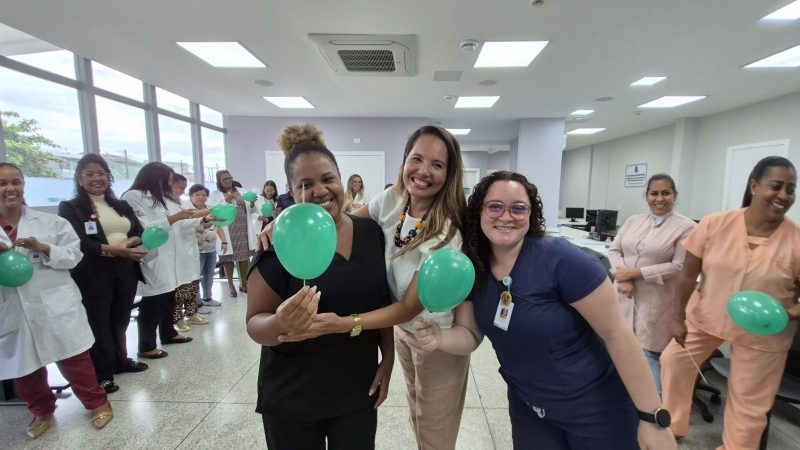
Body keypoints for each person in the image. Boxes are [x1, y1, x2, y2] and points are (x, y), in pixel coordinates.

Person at [413, 171, 677, 450]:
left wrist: (652, 417)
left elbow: (618, 335)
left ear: (531, 214)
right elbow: (469, 334)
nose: (506, 216)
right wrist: (439, 338)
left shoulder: (563, 260)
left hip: (597, 407)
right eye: (495, 206)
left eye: (518, 208)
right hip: (530, 409)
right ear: (479, 211)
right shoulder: (474, 266)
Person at [278, 125, 471, 450]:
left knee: (435, 433)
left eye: (437, 165)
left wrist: (346, 323)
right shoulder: (394, 199)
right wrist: (287, 222)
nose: (423, 171)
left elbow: (409, 306)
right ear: (404, 160)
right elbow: (343, 220)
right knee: (417, 418)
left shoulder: (446, 234)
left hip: (436, 339)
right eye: (417, 158)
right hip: (404, 335)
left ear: (449, 174)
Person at [245, 123, 393, 450]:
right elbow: (255, 324)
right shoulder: (278, 241)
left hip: (357, 388)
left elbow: (383, 302)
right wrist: (279, 323)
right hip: (293, 396)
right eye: (306, 184)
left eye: (328, 179)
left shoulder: (370, 233)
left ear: (341, 179)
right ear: (291, 189)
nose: (321, 190)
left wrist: (389, 359)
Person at [661, 156, 800, 449]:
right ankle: (673, 427)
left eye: (791, 189)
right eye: (776, 186)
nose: (784, 196)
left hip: (764, 333)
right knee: (673, 360)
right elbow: (687, 275)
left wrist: (791, 311)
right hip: (707, 316)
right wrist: (677, 318)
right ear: (754, 186)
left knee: (748, 400)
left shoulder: (796, 241)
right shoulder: (715, 224)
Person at [0, 162, 113, 439]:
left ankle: (97, 403)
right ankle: (41, 411)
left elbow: (74, 255)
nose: (10, 188)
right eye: (2, 183)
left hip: (55, 304)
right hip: (12, 308)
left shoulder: (51, 223)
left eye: (16, 181)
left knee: (75, 358)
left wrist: (42, 247)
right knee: (24, 366)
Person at [58, 154, 149, 395]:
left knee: (120, 318)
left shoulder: (120, 205)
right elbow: (80, 241)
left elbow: (139, 231)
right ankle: (103, 372)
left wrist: (129, 243)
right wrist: (114, 250)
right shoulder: (71, 207)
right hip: (93, 271)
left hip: (125, 267)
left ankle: (121, 360)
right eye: (90, 174)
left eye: (102, 173)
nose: (97, 178)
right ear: (79, 179)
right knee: (98, 321)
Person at [607, 174, 695, 394]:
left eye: (666, 193)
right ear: (646, 196)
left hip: (656, 300)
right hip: (623, 294)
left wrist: (635, 273)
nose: (659, 198)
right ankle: (617, 398)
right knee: (617, 343)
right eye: (654, 193)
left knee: (647, 353)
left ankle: (652, 410)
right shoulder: (634, 220)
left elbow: (679, 266)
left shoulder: (686, 227)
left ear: (675, 195)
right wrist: (623, 276)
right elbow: (614, 250)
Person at [121, 162, 212, 358]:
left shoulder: (161, 199)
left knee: (168, 295)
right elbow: (144, 228)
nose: (170, 184)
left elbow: (181, 224)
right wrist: (175, 218)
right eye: (168, 180)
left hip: (170, 254)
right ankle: (146, 346)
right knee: (152, 300)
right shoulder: (133, 196)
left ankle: (168, 333)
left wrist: (203, 221)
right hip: (153, 255)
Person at [170, 174, 209, 332]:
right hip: (178, 250)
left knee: (193, 283)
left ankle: (192, 313)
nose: (181, 191)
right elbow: (186, 218)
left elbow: (190, 222)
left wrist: (205, 221)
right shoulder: (170, 204)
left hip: (190, 247)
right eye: (179, 187)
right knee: (180, 287)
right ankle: (178, 319)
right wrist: (207, 214)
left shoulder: (178, 202)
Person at [209, 170, 256, 297]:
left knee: (243, 257)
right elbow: (212, 210)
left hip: (242, 229)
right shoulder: (215, 194)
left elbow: (251, 210)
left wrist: (252, 203)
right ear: (219, 181)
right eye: (225, 179)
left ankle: (244, 283)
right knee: (228, 258)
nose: (228, 180)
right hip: (226, 230)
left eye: (230, 178)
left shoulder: (241, 191)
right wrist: (224, 200)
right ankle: (230, 284)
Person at [190, 183, 222, 309]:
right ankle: (197, 302)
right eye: (197, 195)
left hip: (211, 248)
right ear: (191, 196)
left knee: (209, 273)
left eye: (204, 195)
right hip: (197, 249)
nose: (201, 197)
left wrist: (224, 242)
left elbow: (218, 227)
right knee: (196, 275)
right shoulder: (189, 211)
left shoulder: (210, 208)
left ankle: (208, 297)